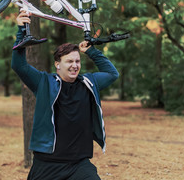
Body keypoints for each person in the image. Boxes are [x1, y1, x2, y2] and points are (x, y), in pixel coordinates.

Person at [11, 11, 119, 180]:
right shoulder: (44, 82)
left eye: (77, 61)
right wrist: (22, 31)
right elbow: (19, 65)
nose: (75, 65)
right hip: (47, 164)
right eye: (69, 61)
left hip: (79, 165)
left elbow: (112, 74)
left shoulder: (89, 83)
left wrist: (92, 51)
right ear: (57, 64)